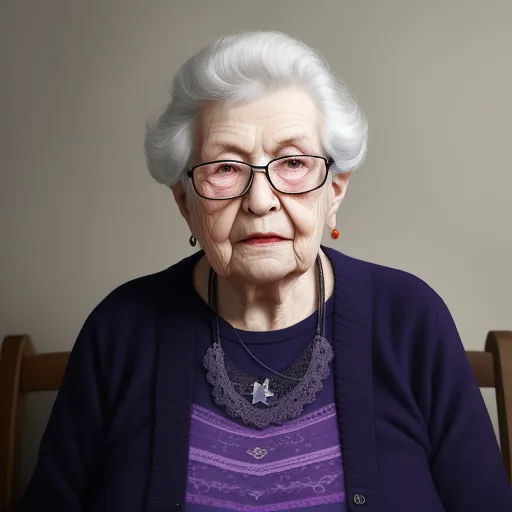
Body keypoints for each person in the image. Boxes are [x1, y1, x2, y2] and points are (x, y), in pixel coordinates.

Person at [20, 31, 512, 512]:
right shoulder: (120, 329)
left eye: (293, 162)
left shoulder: (410, 319)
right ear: (185, 202)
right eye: (226, 168)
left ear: (334, 192)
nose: (260, 201)